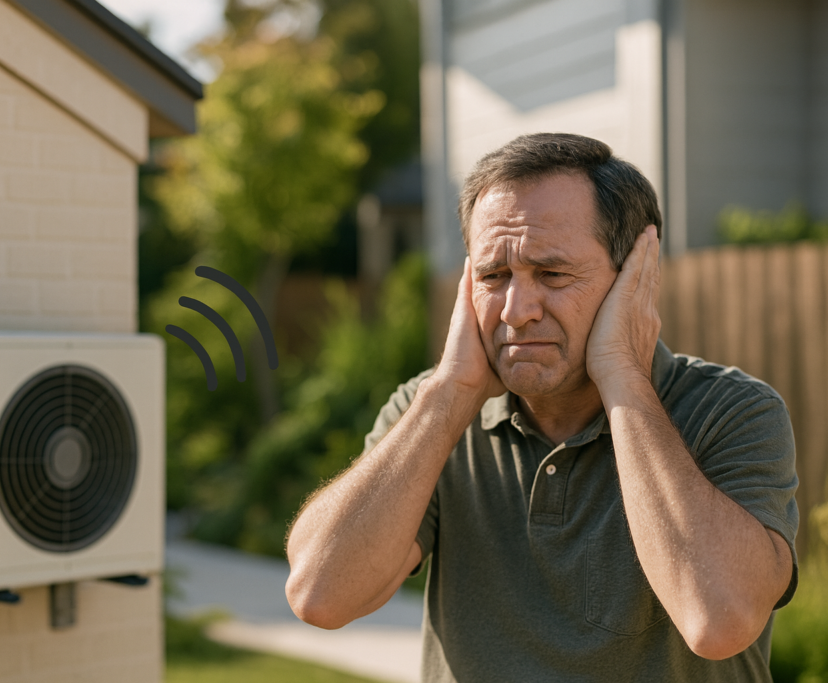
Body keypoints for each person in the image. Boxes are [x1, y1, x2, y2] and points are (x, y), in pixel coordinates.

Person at [284, 133, 799, 682]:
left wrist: (623, 375)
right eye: (493, 276)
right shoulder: (430, 413)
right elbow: (320, 595)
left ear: (635, 278)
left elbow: (719, 622)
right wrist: (451, 391)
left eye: (552, 275)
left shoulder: (733, 412)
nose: (517, 310)